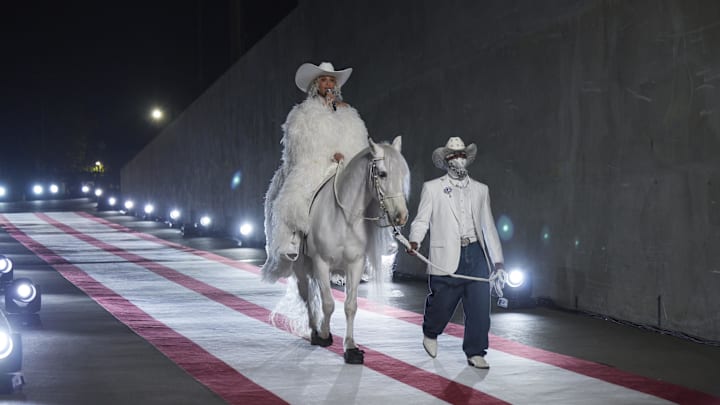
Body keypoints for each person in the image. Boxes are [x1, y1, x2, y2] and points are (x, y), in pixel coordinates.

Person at [262, 61, 369, 281]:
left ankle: (363, 252)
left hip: (344, 166)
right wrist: (328, 154)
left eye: (332, 80)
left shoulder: (348, 112)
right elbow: (298, 142)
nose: (328, 83)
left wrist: (346, 157)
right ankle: (292, 239)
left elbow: (358, 143)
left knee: (369, 193)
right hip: (314, 162)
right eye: (324, 79)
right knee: (297, 192)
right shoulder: (302, 112)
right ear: (316, 84)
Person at [406, 136, 505, 369]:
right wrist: (415, 241)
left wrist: (498, 261)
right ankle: (430, 331)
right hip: (446, 254)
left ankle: (476, 351)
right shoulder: (433, 188)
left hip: (475, 253)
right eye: (453, 155)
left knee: (480, 307)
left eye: (462, 155)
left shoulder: (481, 190)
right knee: (442, 303)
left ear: (467, 159)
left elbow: (488, 226)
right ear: (446, 159)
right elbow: (422, 220)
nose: (458, 159)